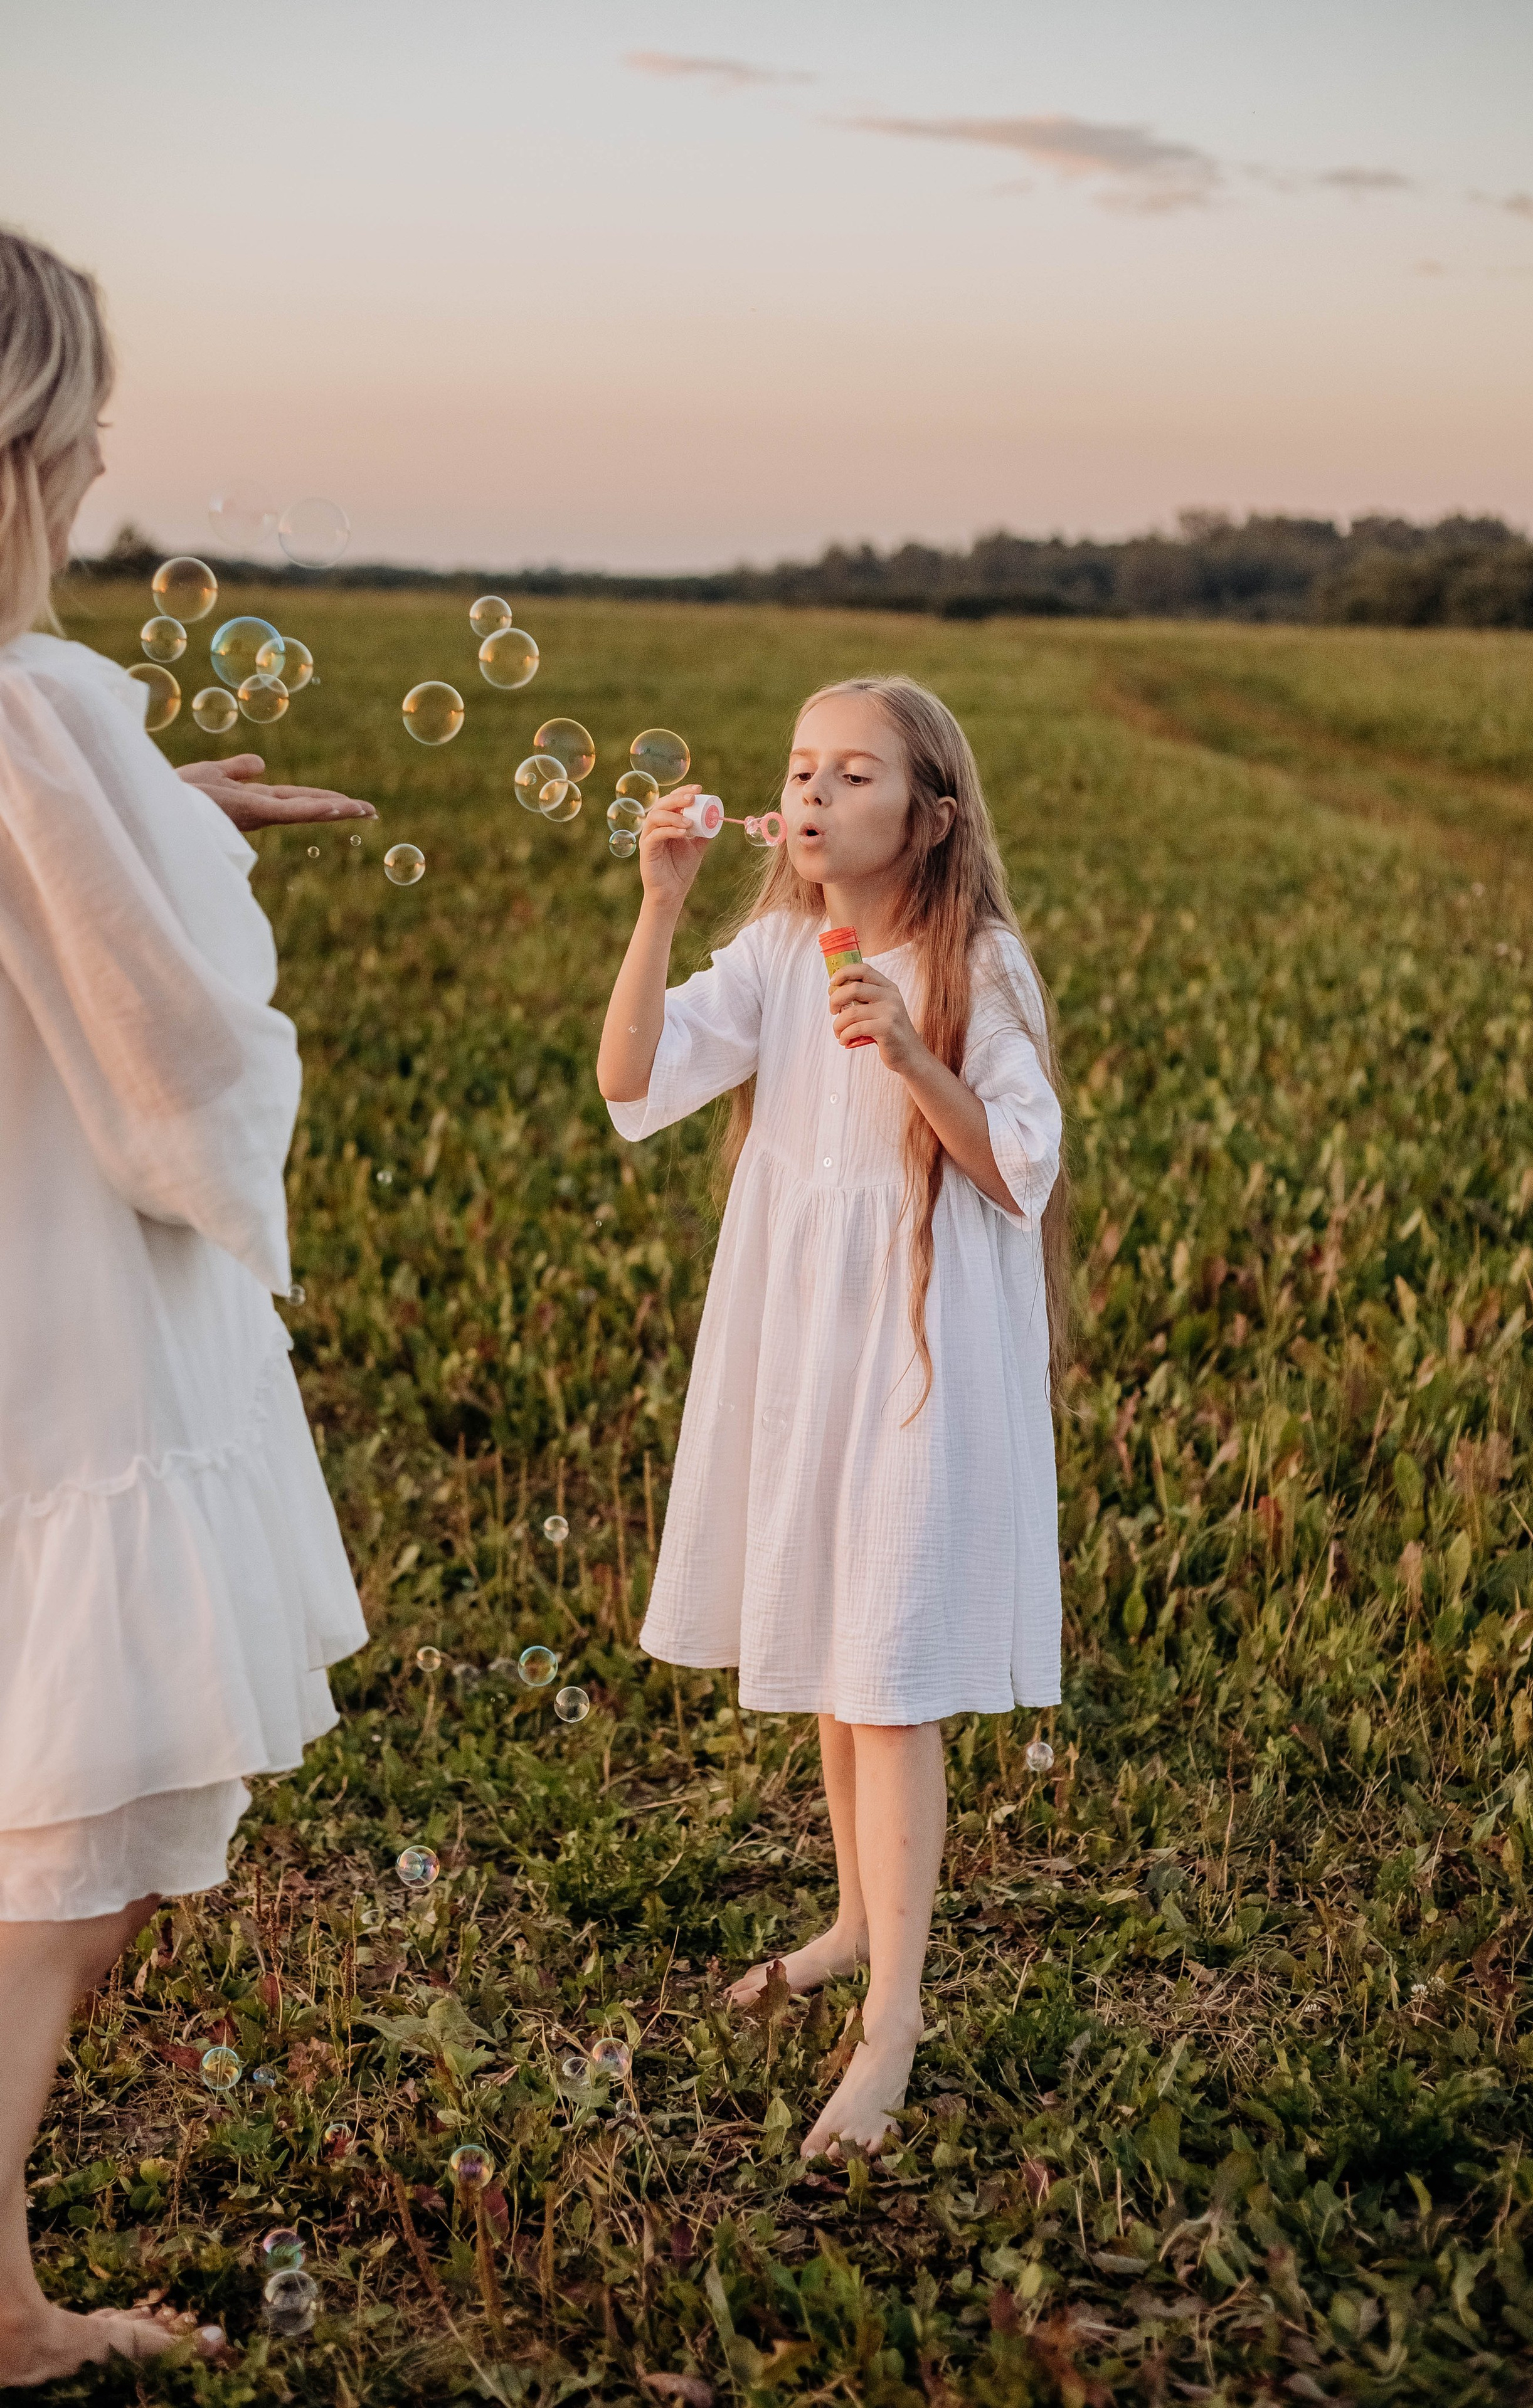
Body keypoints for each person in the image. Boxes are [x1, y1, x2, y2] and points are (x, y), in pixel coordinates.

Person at [0, 226, 374, 2385]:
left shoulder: (45, 733)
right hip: (67, 1316)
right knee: (81, 1838)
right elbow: (185, 1073)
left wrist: (154, 809)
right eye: (84, 410)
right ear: (28, 442)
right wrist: (182, 862)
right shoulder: (40, 704)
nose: (107, 444)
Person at [597, 673, 1068, 2157]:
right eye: (797, 767)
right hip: (804, 1344)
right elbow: (628, 1077)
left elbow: (1014, 1171)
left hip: (921, 1353)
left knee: (889, 1675)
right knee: (828, 1645)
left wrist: (913, 1053)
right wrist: (660, 906)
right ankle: (857, 1922)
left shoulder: (976, 964)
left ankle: (895, 2021)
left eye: (848, 773)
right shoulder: (774, 944)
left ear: (927, 818)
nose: (805, 793)